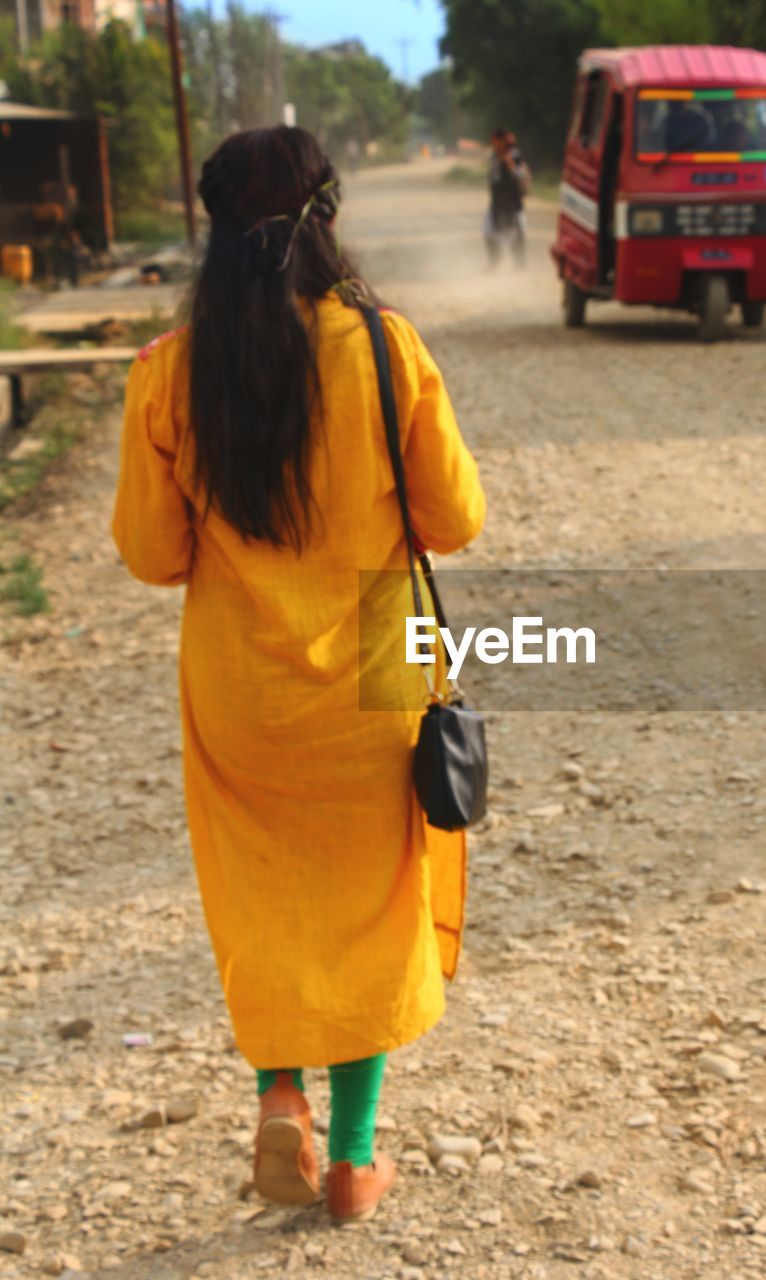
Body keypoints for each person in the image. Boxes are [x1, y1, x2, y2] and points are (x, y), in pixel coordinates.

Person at [111, 126, 485, 1223]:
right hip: (373, 654)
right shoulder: (382, 346)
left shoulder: (167, 373)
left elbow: (152, 554)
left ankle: (280, 1093)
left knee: (264, 896)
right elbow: (454, 519)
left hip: (237, 681)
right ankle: (356, 1155)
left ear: (216, 233)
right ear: (326, 219)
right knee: (369, 896)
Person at [485, 127, 530, 268]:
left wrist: (510, 164)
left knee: (516, 233)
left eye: (497, 141)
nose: (494, 144)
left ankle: (520, 263)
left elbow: (520, 176)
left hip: (513, 202)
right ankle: (494, 263)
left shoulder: (515, 157)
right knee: (490, 232)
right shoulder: (493, 157)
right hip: (497, 202)